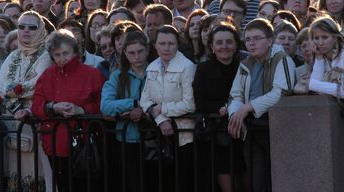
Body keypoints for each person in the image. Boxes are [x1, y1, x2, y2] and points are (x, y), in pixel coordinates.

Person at [30, 29, 105, 192]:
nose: (62, 59)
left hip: (84, 143)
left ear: (75, 51)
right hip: (55, 143)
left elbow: (103, 105)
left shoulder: (92, 74)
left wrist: (82, 110)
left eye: (66, 53)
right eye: (57, 55)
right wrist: (52, 107)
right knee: (63, 186)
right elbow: (36, 104)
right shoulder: (48, 74)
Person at [227, 18, 295, 192]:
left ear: (270, 40)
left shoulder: (282, 59)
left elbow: (281, 92)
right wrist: (236, 115)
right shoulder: (245, 64)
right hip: (253, 129)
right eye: (248, 39)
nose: (251, 43)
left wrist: (247, 107)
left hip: (278, 128)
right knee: (257, 182)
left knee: (281, 181)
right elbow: (235, 95)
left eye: (256, 38)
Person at [0, 11, 52, 191]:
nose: (26, 31)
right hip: (11, 125)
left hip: (33, 125)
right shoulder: (13, 55)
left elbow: (35, 85)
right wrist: (13, 97)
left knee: (36, 175)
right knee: (14, 176)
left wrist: (12, 92)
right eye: (21, 26)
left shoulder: (46, 55)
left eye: (32, 27)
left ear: (40, 30)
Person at [139, 25, 196, 192]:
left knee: (183, 182)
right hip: (160, 135)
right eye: (162, 43)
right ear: (155, 45)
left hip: (184, 136)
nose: (166, 47)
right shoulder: (152, 67)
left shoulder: (187, 67)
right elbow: (145, 100)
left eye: (170, 43)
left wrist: (162, 108)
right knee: (162, 182)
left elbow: (190, 103)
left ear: (177, 44)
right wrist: (161, 119)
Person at [193, 22, 248, 192]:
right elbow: (200, 101)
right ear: (211, 46)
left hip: (246, 135)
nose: (224, 46)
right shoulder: (203, 69)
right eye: (219, 42)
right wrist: (222, 107)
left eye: (229, 42)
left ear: (236, 44)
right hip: (219, 137)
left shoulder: (245, 66)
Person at [100, 31, 149, 191]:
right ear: (125, 54)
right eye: (132, 53)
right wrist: (133, 103)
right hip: (127, 141)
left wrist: (142, 109)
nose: (137, 57)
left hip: (155, 138)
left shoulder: (156, 71)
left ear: (147, 50)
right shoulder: (117, 76)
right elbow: (106, 106)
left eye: (140, 51)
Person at [307, 16, 344, 100]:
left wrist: (312, 84)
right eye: (316, 38)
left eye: (325, 37)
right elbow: (316, 93)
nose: (320, 43)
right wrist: (319, 57)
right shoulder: (320, 56)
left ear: (335, 38)